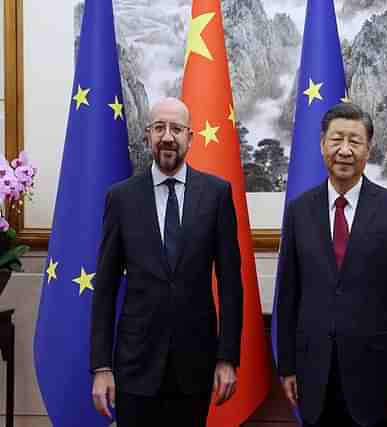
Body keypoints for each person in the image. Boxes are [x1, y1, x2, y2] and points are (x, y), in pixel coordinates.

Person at [90, 97, 243, 426]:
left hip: (195, 365)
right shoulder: (122, 198)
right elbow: (104, 287)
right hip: (135, 367)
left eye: (176, 128)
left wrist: (228, 358)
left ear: (191, 137)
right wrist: (102, 366)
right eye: (159, 127)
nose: (168, 136)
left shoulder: (216, 194)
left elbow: (231, 283)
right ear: (147, 136)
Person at [276, 102, 387, 427]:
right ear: (322, 145)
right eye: (336, 139)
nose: (344, 150)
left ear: (368, 150)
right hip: (313, 374)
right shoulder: (300, 211)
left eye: (354, 141)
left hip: (375, 374)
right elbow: (288, 295)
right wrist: (286, 365)